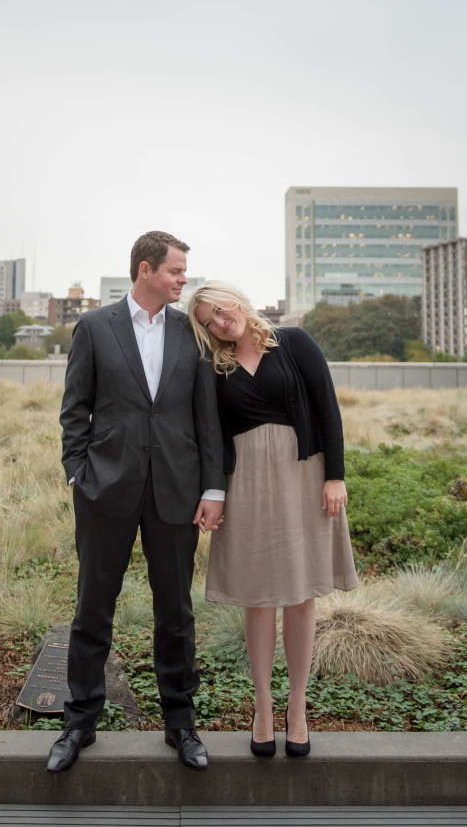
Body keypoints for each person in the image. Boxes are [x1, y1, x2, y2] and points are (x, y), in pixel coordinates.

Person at [47, 232, 226, 774]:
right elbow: (74, 407)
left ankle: (181, 722)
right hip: (105, 490)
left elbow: (206, 418)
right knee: (91, 609)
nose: (182, 281)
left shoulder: (191, 333)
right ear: (145, 270)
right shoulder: (96, 327)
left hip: (177, 491)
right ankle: (79, 723)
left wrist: (213, 487)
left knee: (176, 612)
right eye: (176, 272)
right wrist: (78, 473)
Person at [188, 281, 358, 758]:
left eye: (220, 310)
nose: (220, 322)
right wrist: (215, 492)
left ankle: (297, 709)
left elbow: (328, 408)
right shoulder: (214, 366)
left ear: (236, 300)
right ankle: (263, 707)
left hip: (305, 477)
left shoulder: (294, 342)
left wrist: (335, 477)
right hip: (247, 485)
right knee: (258, 596)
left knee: (301, 595)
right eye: (208, 321)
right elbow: (212, 432)